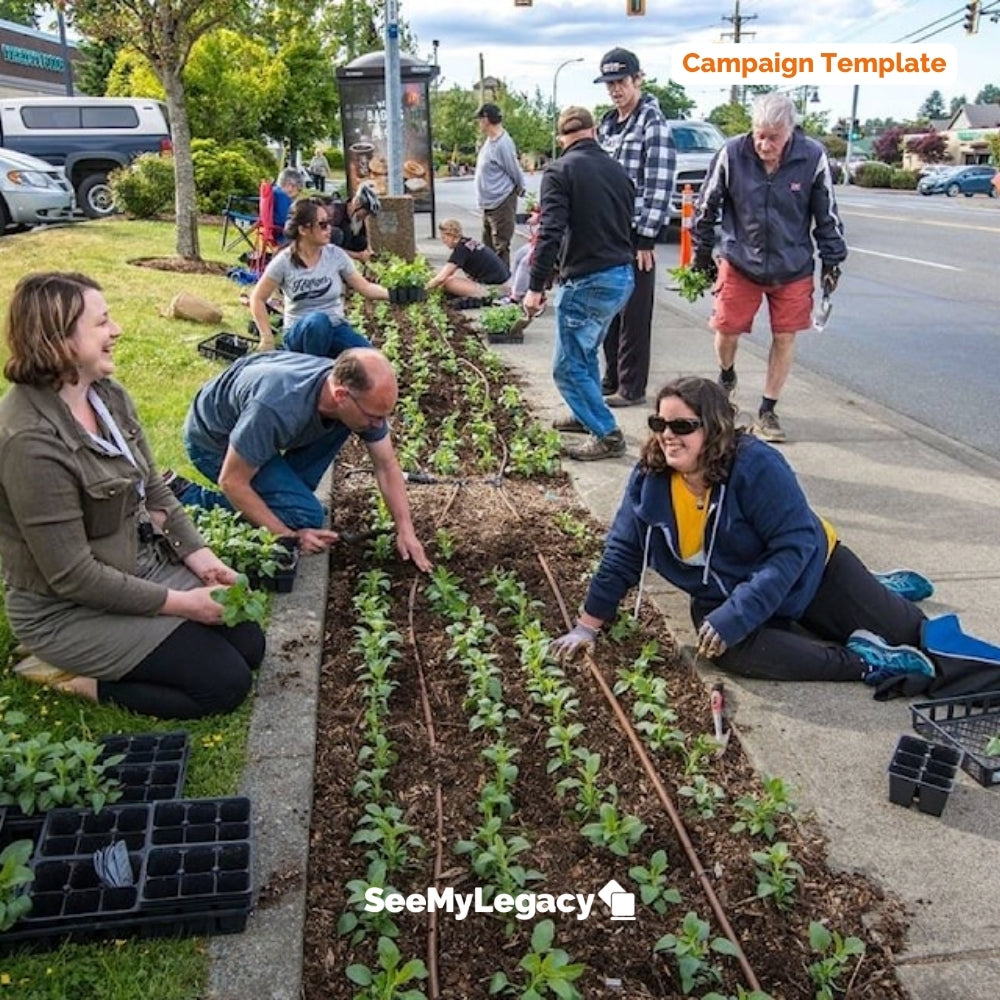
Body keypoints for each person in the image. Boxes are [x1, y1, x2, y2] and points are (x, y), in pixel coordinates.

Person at [550, 376, 948, 693]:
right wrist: (588, 626)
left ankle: (877, 586)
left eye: (682, 425)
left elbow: (793, 547)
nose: (667, 435)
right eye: (659, 424)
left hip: (812, 568)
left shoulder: (757, 466)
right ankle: (866, 661)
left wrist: (741, 612)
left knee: (913, 633)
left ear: (715, 427)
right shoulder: (650, 478)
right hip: (726, 588)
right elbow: (623, 551)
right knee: (727, 648)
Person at [0, 272, 264, 719]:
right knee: (223, 685)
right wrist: (183, 605)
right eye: (102, 323)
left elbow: (155, 489)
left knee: (248, 642)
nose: (116, 330)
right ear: (60, 340)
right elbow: (72, 575)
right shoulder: (30, 441)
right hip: (66, 608)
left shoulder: (107, 394)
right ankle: (75, 678)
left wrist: (203, 561)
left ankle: (149, 632)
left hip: (136, 568)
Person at [173, 348, 431, 569]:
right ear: (341, 395)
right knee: (304, 516)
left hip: (253, 426)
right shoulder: (278, 405)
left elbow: (386, 465)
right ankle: (183, 496)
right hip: (213, 438)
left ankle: (286, 501)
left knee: (301, 502)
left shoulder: (345, 392)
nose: (380, 424)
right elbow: (232, 481)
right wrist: (287, 536)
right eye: (375, 415)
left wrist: (405, 529)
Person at [692, 92, 847, 444]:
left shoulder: (812, 157)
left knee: (785, 335)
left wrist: (832, 258)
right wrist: (702, 254)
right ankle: (727, 374)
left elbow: (827, 213)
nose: (764, 144)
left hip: (792, 265)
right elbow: (706, 205)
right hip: (740, 258)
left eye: (773, 137)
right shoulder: (732, 153)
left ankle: (768, 408)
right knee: (726, 330)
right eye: (759, 134)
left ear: (790, 131)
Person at [523, 107, 635, 462]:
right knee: (585, 352)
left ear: (562, 139)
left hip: (589, 279)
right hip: (621, 276)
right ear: (593, 132)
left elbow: (550, 231)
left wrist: (535, 286)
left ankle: (607, 434)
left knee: (568, 365)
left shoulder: (559, 170)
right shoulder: (618, 170)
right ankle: (583, 412)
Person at [594, 47, 674, 408]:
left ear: (638, 79)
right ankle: (611, 377)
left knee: (634, 314)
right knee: (608, 310)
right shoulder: (608, 124)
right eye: (610, 83)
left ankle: (631, 386)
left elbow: (659, 183)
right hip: (606, 232)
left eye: (621, 81)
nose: (615, 90)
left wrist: (647, 236)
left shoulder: (652, 122)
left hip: (635, 233)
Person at [249, 197, 392, 355]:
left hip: (335, 328)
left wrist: (394, 294)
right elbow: (257, 298)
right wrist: (267, 338)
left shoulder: (335, 255)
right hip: (299, 333)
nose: (329, 229)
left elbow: (365, 287)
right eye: (322, 225)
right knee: (318, 321)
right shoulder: (284, 261)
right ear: (303, 230)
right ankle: (313, 369)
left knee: (371, 359)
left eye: (329, 223)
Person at [474, 103, 526, 269]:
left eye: (480, 120)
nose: (479, 124)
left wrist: (520, 186)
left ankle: (502, 282)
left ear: (487, 119)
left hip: (501, 200)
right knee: (487, 245)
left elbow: (513, 167)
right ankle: (490, 280)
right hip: (488, 202)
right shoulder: (490, 141)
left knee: (500, 245)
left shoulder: (503, 143)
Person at [427, 218, 510, 302]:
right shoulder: (468, 243)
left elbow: (441, 278)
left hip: (497, 289)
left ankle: (486, 296)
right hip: (505, 282)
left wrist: (426, 288)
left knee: (448, 283)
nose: (443, 241)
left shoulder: (461, 250)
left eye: (444, 237)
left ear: (451, 235)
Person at [328, 183, 380, 264]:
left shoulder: (357, 219)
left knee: (362, 241)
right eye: (365, 213)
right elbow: (329, 248)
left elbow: (365, 235)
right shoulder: (337, 215)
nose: (365, 217)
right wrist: (357, 256)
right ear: (357, 203)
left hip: (345, 250)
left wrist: (369, 251)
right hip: (329, 253)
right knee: (341, 233)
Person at [272, 166, 304, 236]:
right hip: (282, 233)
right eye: (298, 189)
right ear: (290, 185)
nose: (298, 193)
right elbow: (284, 219)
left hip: (275, 229)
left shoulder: (275, 190)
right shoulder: (283, 196)